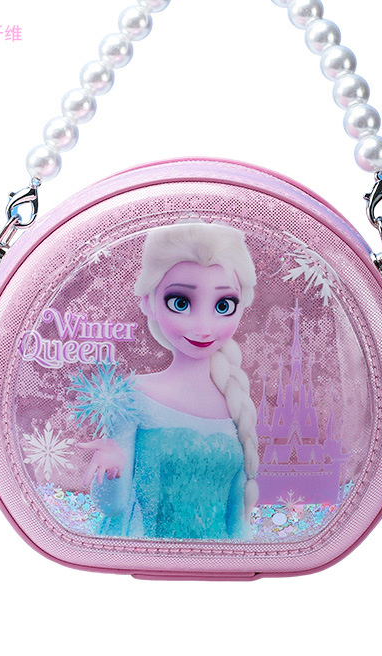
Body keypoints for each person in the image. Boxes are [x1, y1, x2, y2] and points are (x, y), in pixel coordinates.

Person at [78, 220, 259, 540]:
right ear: (148, 301)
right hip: (144, 551)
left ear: (242, 306)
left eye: (223, 305)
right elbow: (113, 506)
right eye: (180, 302)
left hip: (220, 561)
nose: (203, 327)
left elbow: (237, 519)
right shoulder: (134, 395)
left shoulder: (235, 403)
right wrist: (111, 469)